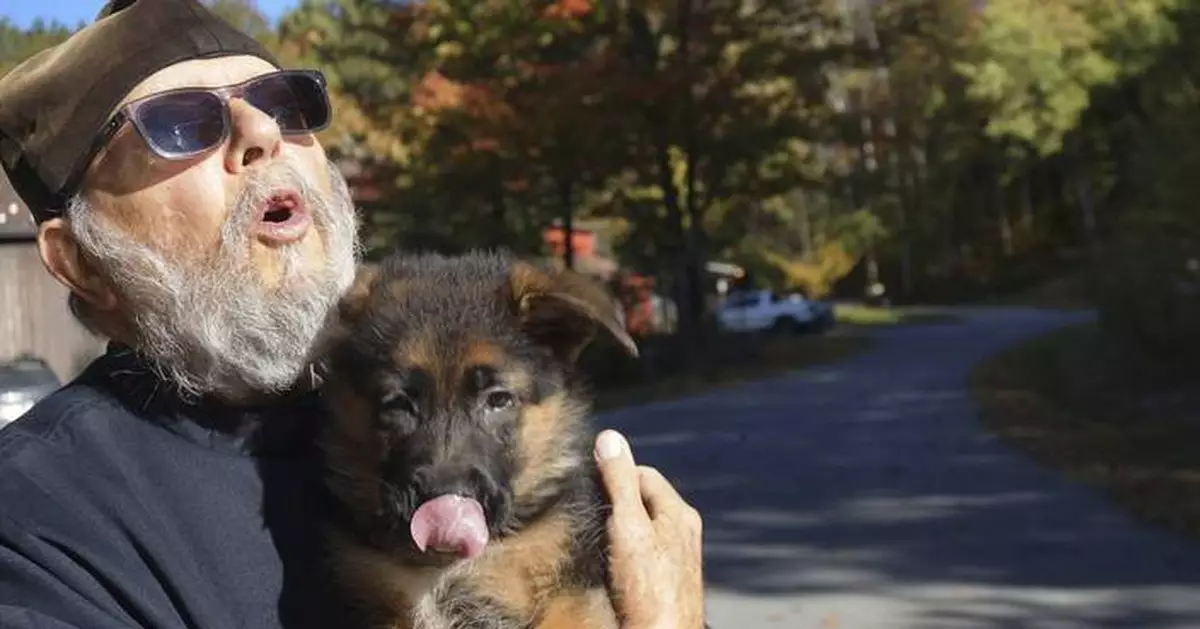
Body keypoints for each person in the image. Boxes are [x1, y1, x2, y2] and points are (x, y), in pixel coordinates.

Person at [0, 1, 705, 628]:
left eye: (285, 101)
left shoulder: (395, 365)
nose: (261, 131)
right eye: (180, 125)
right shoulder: (40, 519)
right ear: (80, 262)